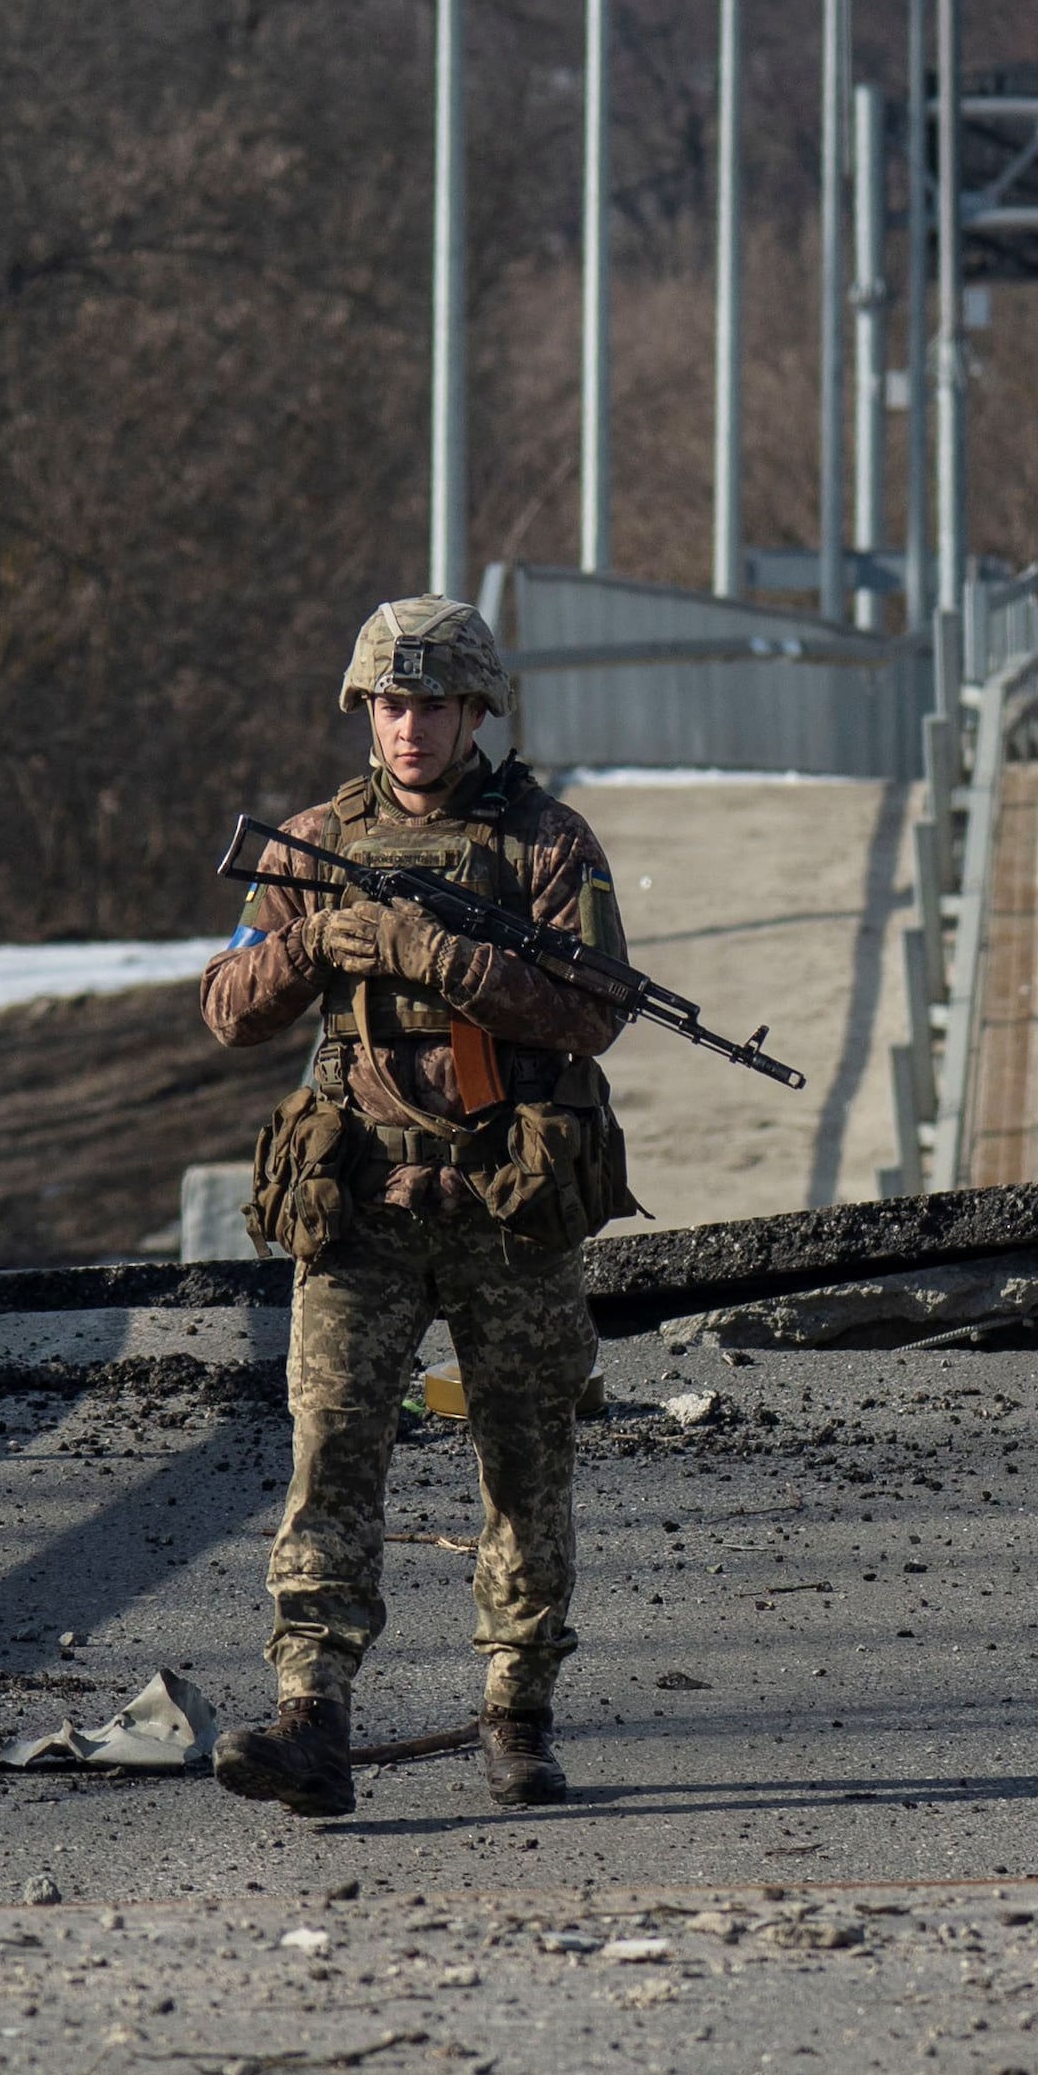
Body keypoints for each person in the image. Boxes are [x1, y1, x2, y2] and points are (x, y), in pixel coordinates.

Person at [200, 598, 637, 1816]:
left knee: (525, 1460)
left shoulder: (548, 845)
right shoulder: (309, 845)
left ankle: (518, 1713)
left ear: (475, 711)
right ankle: (311, 1719)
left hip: (506, 1195)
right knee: (330, 1449)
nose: (407, 727)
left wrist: (449, 961)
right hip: (362, 1204)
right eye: (389, 704)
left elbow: (596, 1008)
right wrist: (325, 942)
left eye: (432, 705)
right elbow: (229, 1007)